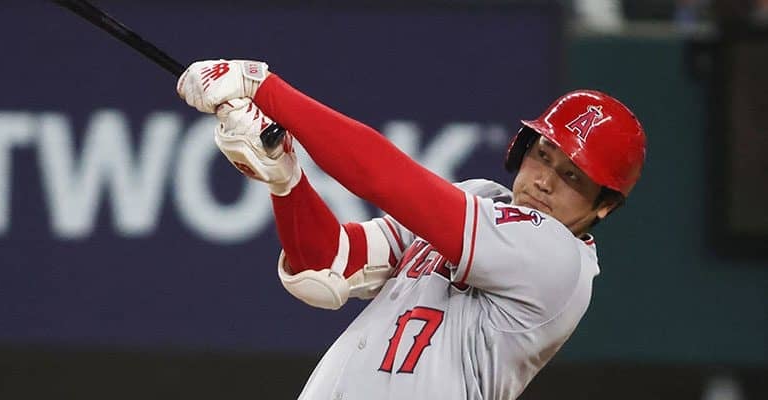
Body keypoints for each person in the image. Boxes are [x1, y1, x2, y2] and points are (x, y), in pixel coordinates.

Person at [177, 60, 646, 400]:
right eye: (543, 155)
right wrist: (285, 178)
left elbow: (385, 178)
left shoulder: (558, 258)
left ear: (604, 205)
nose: (545, 180)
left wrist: (265, 88)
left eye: (572, 177)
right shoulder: (482, 197)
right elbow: (330, 264)